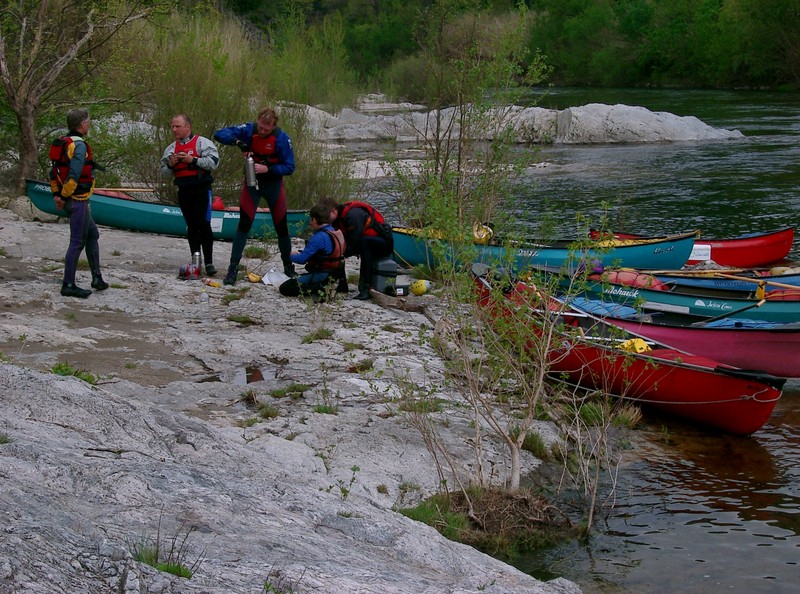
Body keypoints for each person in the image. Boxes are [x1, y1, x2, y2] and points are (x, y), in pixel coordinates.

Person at [213, 107, 296, 285]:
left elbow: (290, 167)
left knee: (281, 227)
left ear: (273, 126)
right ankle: (233, 269)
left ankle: (289, 267)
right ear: (257, 121)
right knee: (244, 224)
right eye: (261, 126)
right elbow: (219, 134)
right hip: (252, 184)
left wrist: (268, 168)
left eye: (267, 128)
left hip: (273, 184)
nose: (263, 130)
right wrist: (238, 143)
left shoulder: (281, 138)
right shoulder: (249, 130)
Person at [49, 107, 107, 298]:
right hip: (77, 201)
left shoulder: (62, 142)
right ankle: (68, 285)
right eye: (88, 122)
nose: (89, 124)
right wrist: (63, 197)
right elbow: (74, 174)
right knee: (77, 241)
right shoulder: (79, 146)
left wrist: (57, 195)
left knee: (92, 234)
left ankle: (97, 278)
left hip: (69, 199)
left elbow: (52, 173)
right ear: (82, 124)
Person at [160, 114, 220, 276]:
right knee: (192, 226)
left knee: (204, 224)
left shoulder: (203, 143)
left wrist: (192, 160)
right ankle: (196, 261)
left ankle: (209, 262)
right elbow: (164, 173)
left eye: (177, 126)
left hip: (202, 189)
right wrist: (171, 165)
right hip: (184, 191)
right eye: (172, 126)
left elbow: (213, 163)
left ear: (187, 127)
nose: (174, 130)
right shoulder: (170, 149)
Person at [324, 198, 394, 300]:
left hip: (383, 244)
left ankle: (367, 287)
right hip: (366, 241)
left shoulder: (353, 215)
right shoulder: (338, 218)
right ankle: (342, 284)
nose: (325, 221)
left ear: (333, 211)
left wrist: (339, 253)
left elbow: (355, 241)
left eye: (326, 217)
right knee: (339, 249)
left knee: (363, 243)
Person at [278, 203, 345, 300]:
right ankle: (326, 287)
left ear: (314, 220)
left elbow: (302, 260)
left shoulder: (318, 237)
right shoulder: (335, 232)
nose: (310, 223)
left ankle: (319, 291)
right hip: (334, 274)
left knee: (285, 287)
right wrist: (301, 252)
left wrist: (289, 256)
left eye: (311, 220)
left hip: (322, 274)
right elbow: (324, 254)